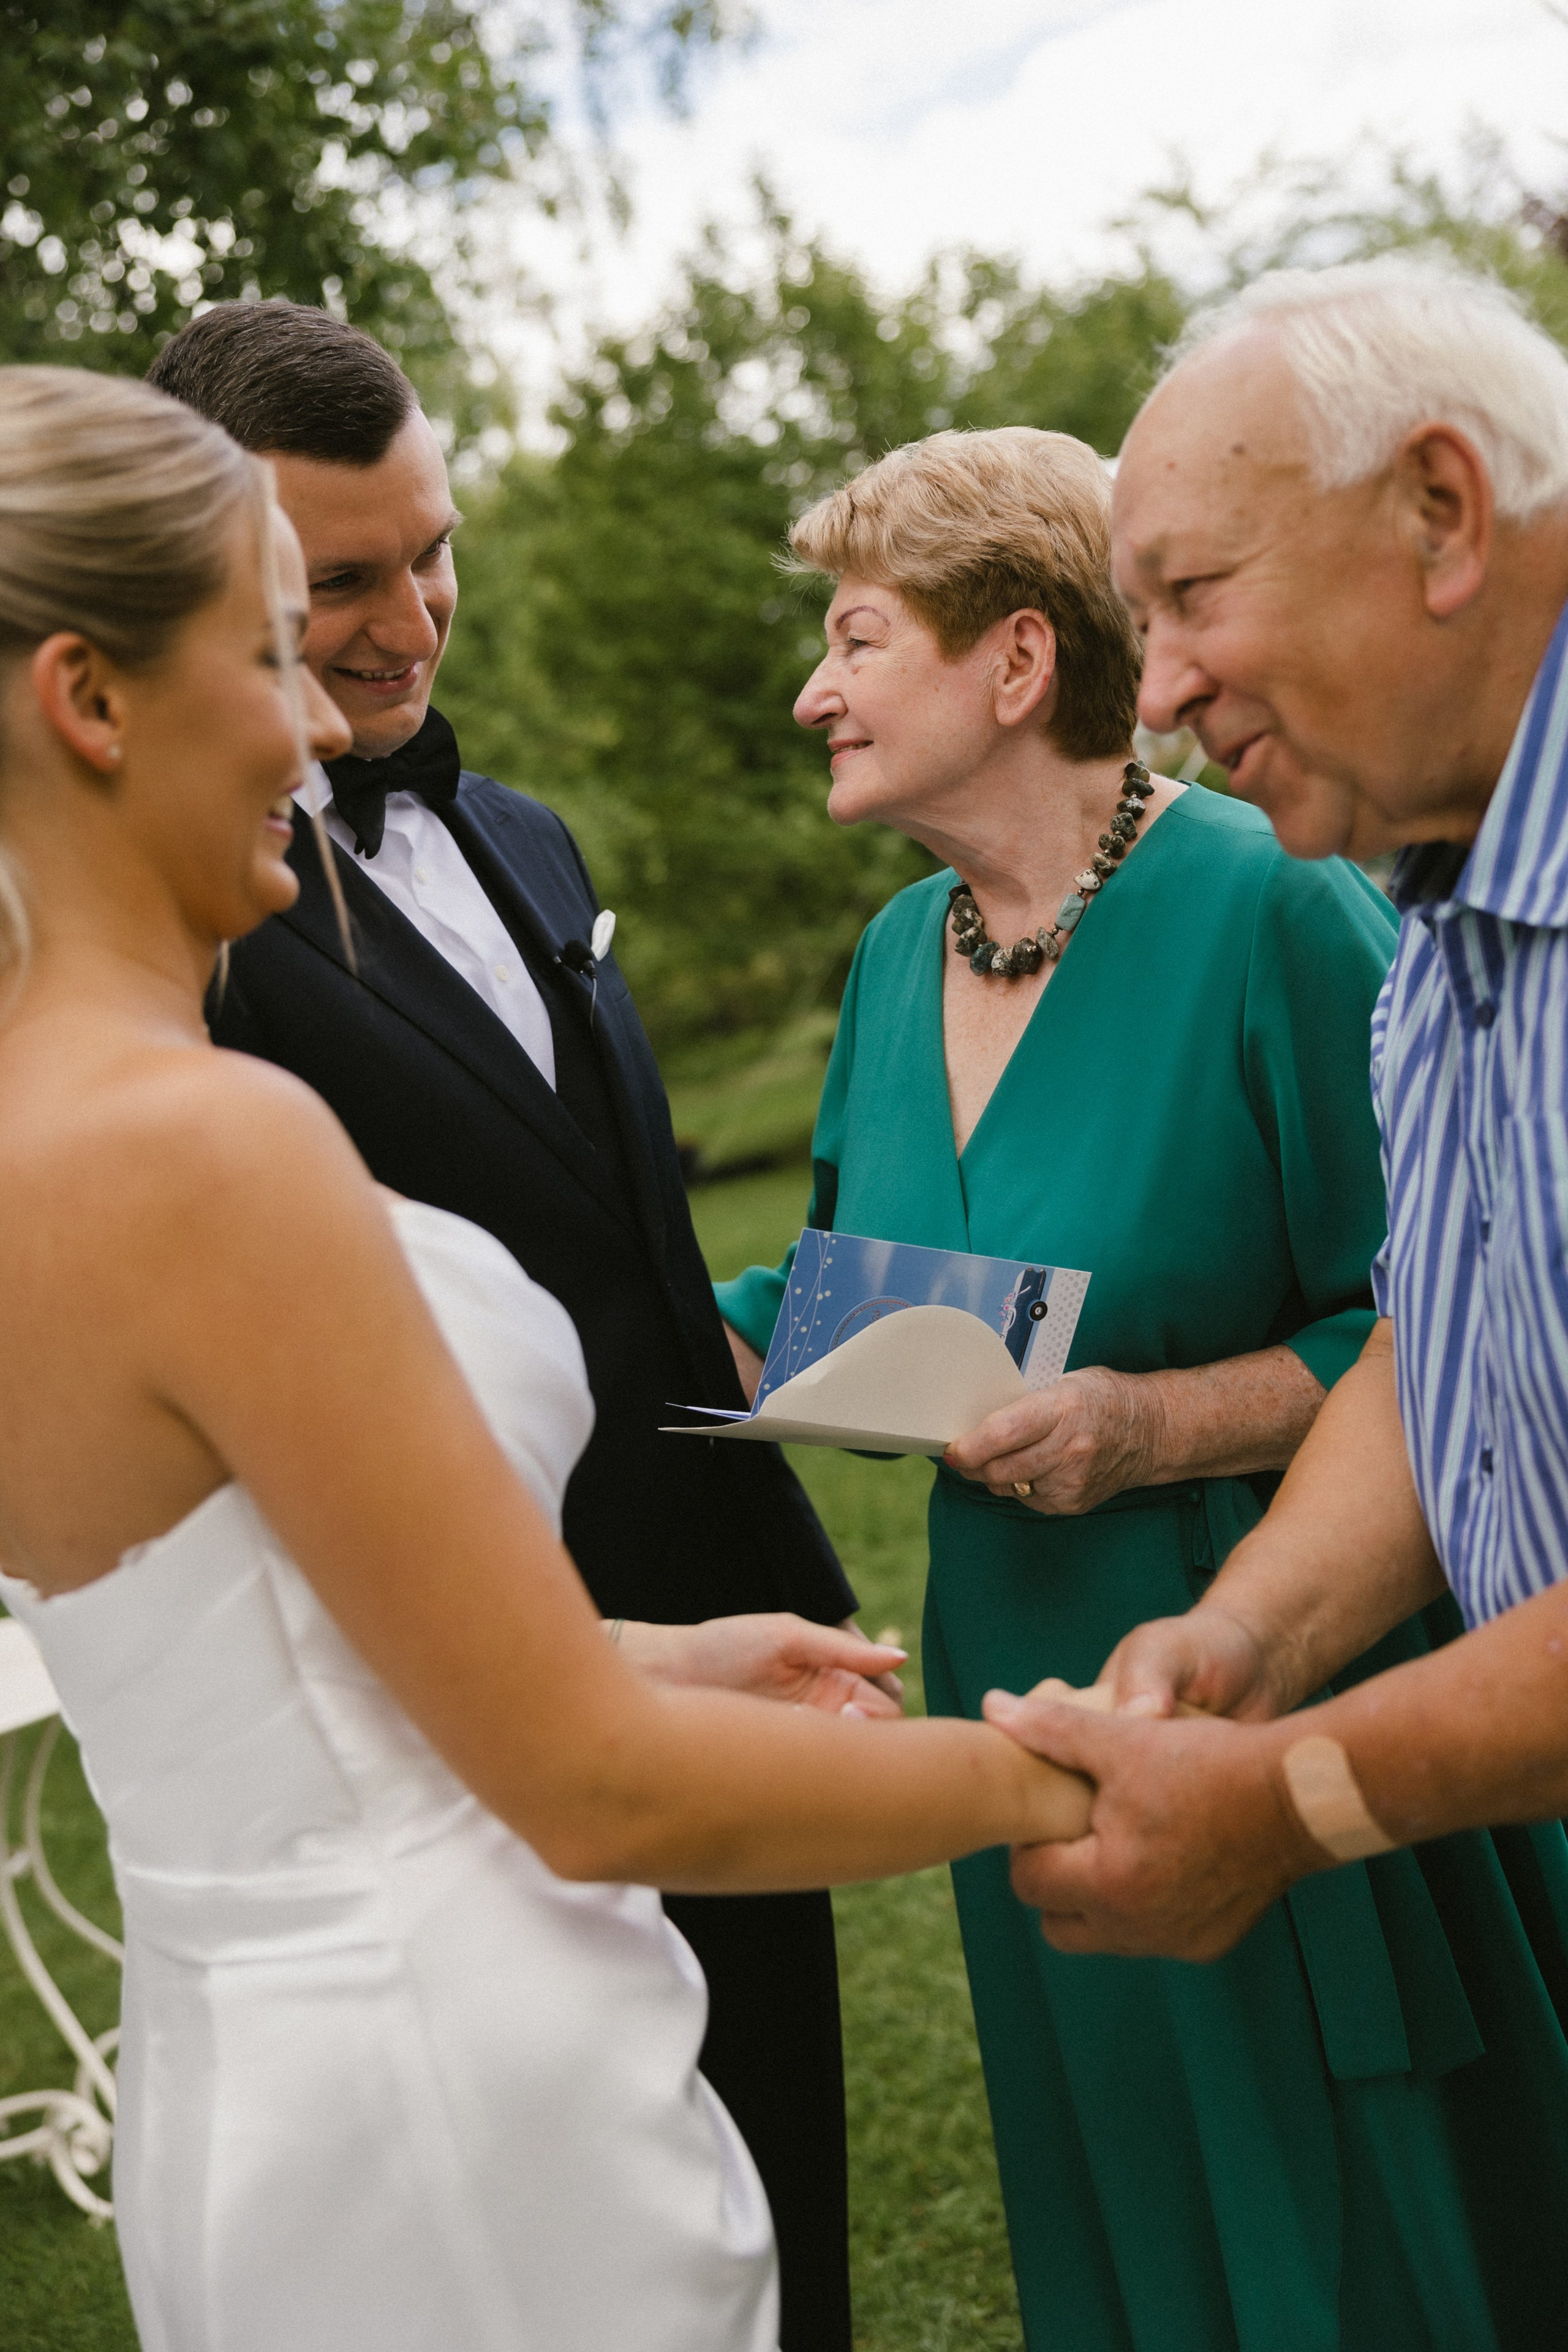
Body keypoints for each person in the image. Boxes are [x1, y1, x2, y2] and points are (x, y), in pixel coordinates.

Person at [0, 364, 1082, 2352]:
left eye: (437, 565)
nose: (336, 704)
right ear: (89, 698)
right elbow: (580, 1791)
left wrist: (663, 1643)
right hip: (461, 2058)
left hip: (254, 2059)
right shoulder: (201, 1135)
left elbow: (256, 1645)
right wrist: (1074, 1785)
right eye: (279, 637)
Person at [717, 423, 1568, 2351]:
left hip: (1291, 1657)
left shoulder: (1280, 900)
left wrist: (1153, 1424)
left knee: (1368, 2237)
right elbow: (844, 1277)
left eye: (855, 639)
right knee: (1133, 2219)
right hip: (1019, 1688)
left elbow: (1450, 1318)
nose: (811, 691)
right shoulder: (886, 956)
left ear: (1016, 664)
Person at [144, 301, 866, 2350]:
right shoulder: (189, 921)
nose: (409, 623)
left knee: (780, 2218)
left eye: (432, 552)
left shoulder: (529, 834)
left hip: (736, 1626)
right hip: (461, 1705)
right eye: (344, 580)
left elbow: (619, 1242)